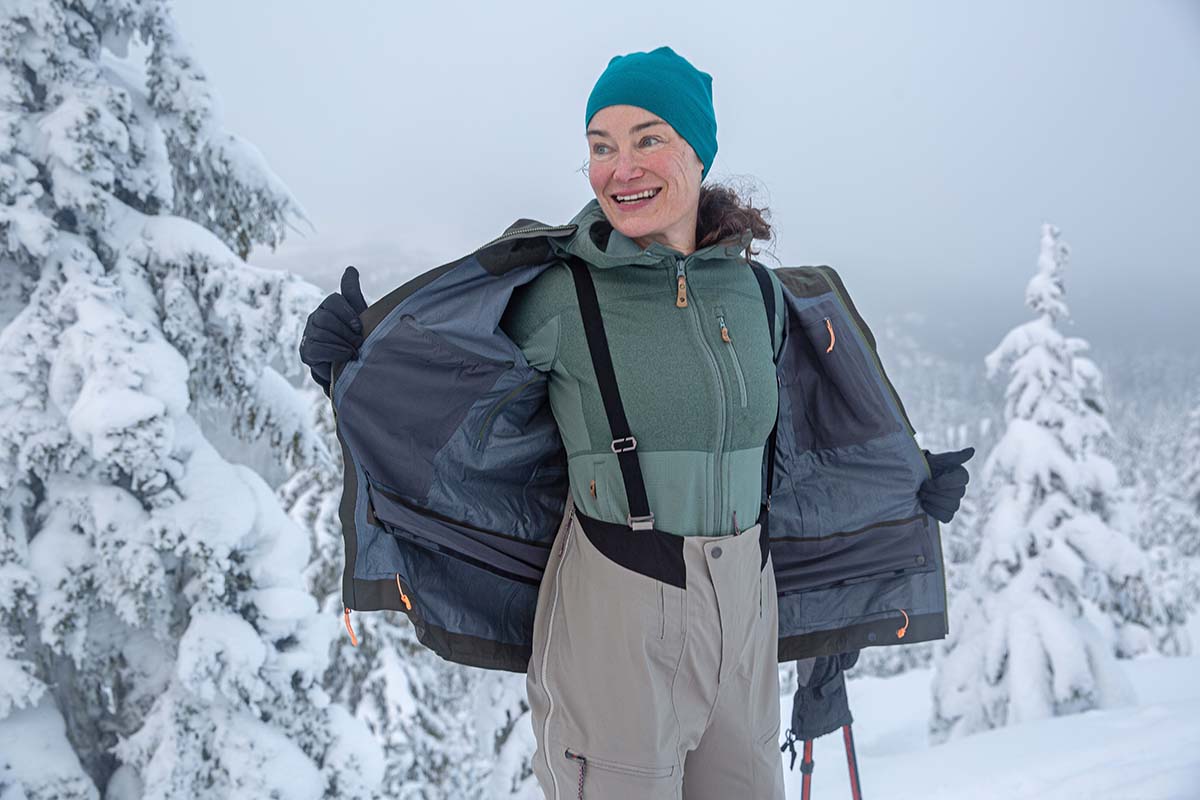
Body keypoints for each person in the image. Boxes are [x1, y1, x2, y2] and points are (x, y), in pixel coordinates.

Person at [300, 46, 971, 800]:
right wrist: (351, 365)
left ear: (698, 152)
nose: (621, 169)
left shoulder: (758, 297)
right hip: (616, 610)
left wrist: (903, 489)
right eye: (601, 147)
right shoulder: (562, 294)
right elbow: (445, 398)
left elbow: (802, 453)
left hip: (747, 614)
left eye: (648, 139)